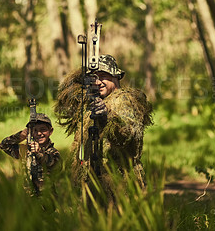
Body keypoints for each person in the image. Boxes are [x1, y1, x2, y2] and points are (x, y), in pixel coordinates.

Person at [54, 54, 153, 194]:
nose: (98, 82)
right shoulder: (92, 103)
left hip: (120, 184)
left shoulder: (125, 99)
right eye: (94, 78)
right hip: (92, 183)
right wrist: (81, 75)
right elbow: (64, 98)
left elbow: (128, 134)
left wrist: (106, 118)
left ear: (116, 76)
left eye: (103, 76)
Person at [0, 113, 60, 194]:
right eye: (35, 130)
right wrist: (20, 136)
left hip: (46, 199)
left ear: (50, 131)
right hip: (27, 199)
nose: (39, 133)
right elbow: (4, 145)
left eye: (43, 129)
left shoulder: (53, 153)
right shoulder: (25, 150)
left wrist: (39, 153)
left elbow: (52, 163)